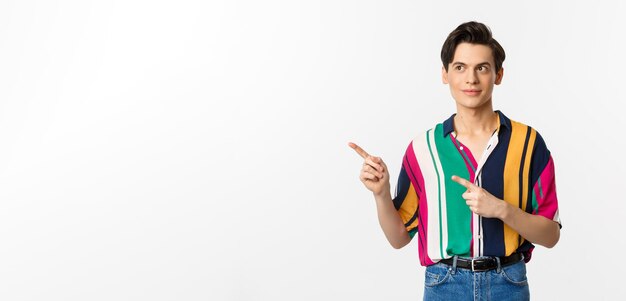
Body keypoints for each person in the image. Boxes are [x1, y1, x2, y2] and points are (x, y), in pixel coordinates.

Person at [348, 21, 561, 301]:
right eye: (460, 67)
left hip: (508, 283)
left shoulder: (529, 143)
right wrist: (381, 194)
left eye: (482, 68)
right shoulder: (423, 148)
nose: (471, 79)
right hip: (445, 285)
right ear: (445, 74)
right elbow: (399, 238)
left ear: (498, 75)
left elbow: (550, 235)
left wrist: (502, 209)